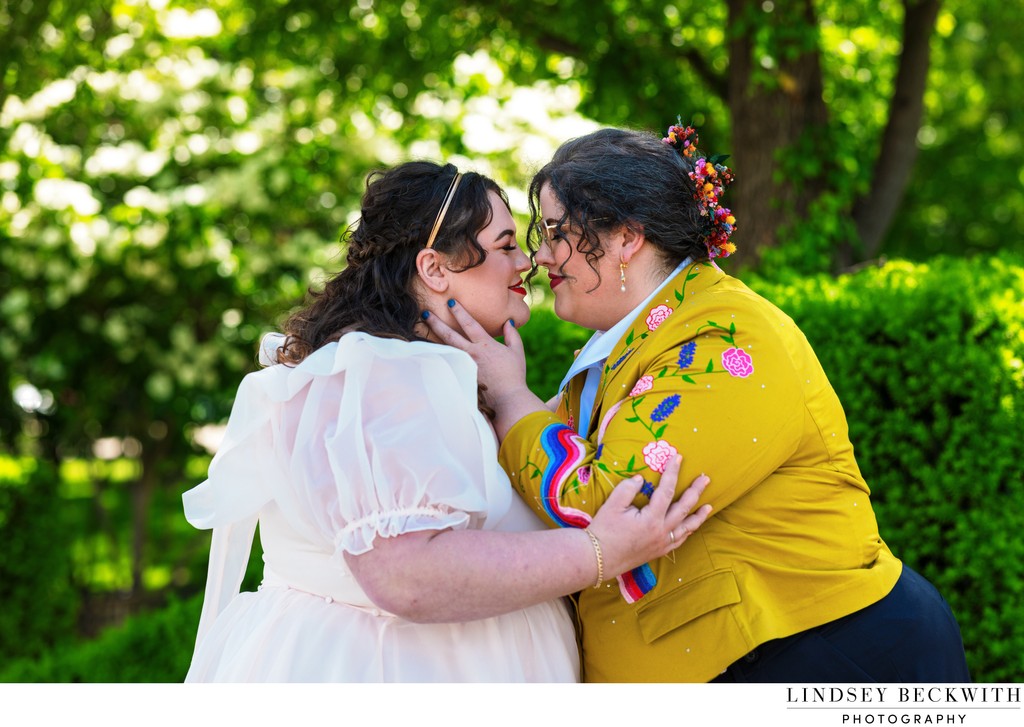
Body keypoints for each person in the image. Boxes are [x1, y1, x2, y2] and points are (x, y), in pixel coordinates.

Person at [425, 124, 970, 682]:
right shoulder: (640, 336)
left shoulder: (728, 337)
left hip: (825, 652)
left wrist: (513, 395)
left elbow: (605, 503)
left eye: (556, 231)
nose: (540, 256)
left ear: (626, 237)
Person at [181, 160, 713, 682]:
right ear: (434, 268)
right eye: (505, 246)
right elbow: (405, 573)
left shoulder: (419, 375)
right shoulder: (383, 375)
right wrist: (601, 551)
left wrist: (516, 397)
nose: (527, 263)